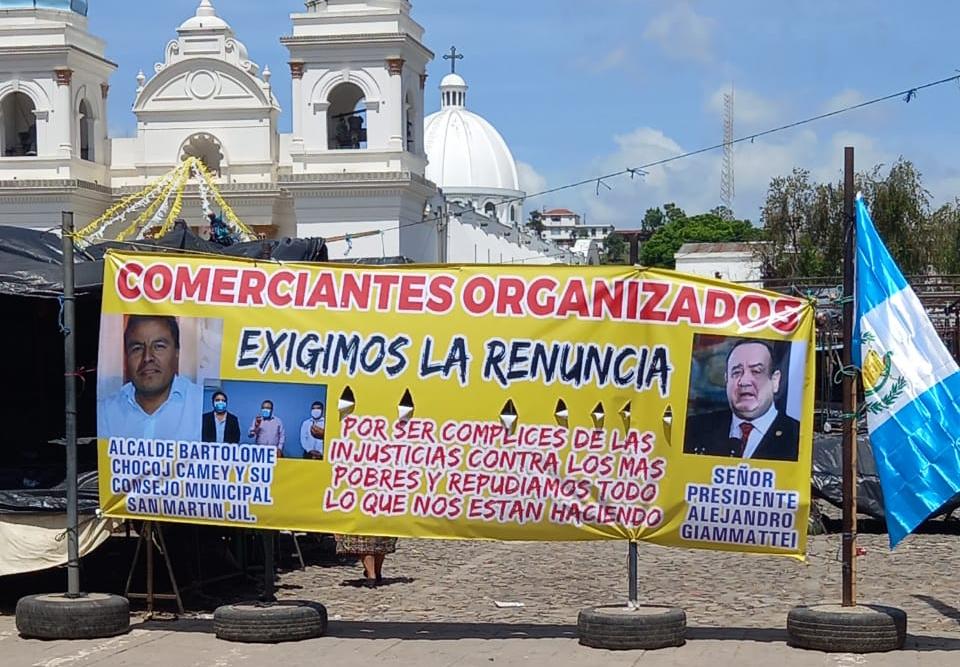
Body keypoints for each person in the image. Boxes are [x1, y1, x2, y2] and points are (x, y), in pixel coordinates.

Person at [683, 339, 800, 462]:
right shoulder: (694, 428)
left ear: (775, 380)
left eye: (756, 371)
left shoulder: (797, 436)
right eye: (736, 372)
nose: (744, 381)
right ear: (726, 380)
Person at [98, 315, 202, 442]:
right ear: (126, 357)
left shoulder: (202, 406)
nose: (147, 357)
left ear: (177, 352)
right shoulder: (106, 413)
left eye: (158, 346)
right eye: (137, 348)